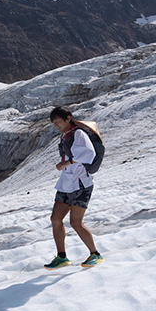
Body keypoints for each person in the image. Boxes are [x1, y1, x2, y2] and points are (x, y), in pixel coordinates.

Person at [44, 106, 104, 269]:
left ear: (68, 118)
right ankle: (61, 256)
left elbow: (88, 154)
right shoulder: (66, 136)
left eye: (58, 121)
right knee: (55, 219)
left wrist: (67, 162)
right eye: (54, 123)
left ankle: (95, 254)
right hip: (66, 182)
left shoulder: (78, 133)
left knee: (75, 222)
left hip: (81, 183)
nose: (56, 125)